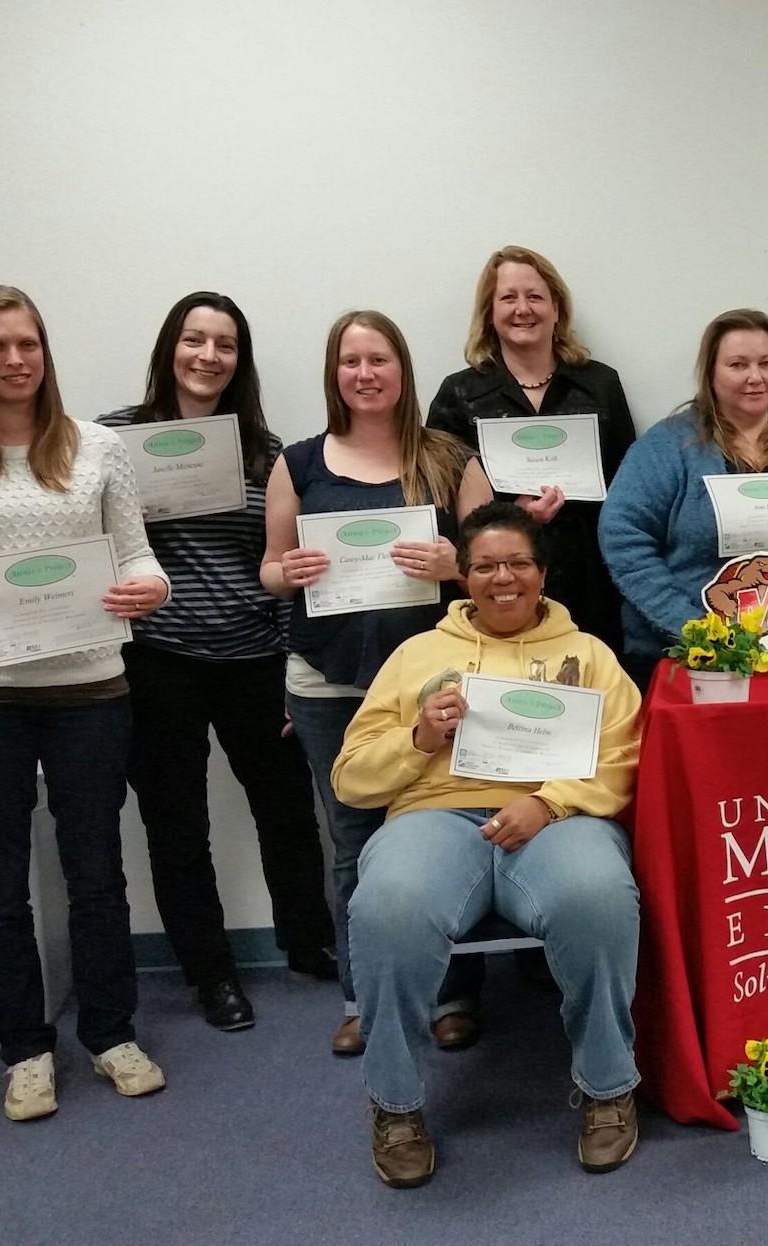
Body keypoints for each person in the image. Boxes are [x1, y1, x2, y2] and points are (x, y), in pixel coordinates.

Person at [0, 285, 171, 1119]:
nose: (16, 360)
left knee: (96, 871)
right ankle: (24, 1051)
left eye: (29, 344)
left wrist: (145, 592)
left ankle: (112, 1034)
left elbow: (140, 558)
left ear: (46, 353)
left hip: (89, 689)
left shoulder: (98, 449)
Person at [333, 501, 644, 1186]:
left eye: (518, 563)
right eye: (484, 567)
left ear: (542, 571)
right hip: (435, 816)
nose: (502, 578)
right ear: (462, 578)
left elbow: (624, 757)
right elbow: (352, 777)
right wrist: (419, 737)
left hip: (557, 817)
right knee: (388, 905)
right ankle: (396, 1105)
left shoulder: (587, 655)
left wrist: (550, 801)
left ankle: (608, 1087)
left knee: (597, 896)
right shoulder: (418, 655)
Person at [98, 292, 335, 1032]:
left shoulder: (268, 450)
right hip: (157, 659)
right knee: (176, 821)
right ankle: (211, 974)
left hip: (254, 655)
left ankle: (307, 942)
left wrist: (296, 662)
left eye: (224, 345)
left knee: (288, 810)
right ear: (170, 347)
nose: (208, 357)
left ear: (240, 359)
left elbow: (286, 565)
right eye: (195, 340)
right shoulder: (111, 440)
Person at [260, 310, 493, 1055]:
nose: (365, 374)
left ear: (403, 370)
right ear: (335, 374)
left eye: (379, 360)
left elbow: (497, 567)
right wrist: (286, 571)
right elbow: (269, 569)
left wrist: (453, 565)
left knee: (448, 832)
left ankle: (453, 993)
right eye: (350, 361)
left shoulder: (450, 458)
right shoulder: (298, 464)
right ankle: (364, 998)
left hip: (439, 680)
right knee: (352, 842)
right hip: (328, 681)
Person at [598, 308, 768, 684]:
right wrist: (689, 627)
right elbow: (623, 537)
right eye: (738, 364)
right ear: (711, 373)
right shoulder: (667, 446)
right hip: (695, 659)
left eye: (766, 363)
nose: (756, 377)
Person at [427, 245, 637, 652]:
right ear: (490, 311)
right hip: (496, 591)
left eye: (535, 296)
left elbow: (627, 485)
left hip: (590, 584)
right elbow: (439, 506)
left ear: (557, 308)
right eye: (508, 298)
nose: (522, 309)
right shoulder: (459, 394)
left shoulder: (600, 384)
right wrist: (514, 516)